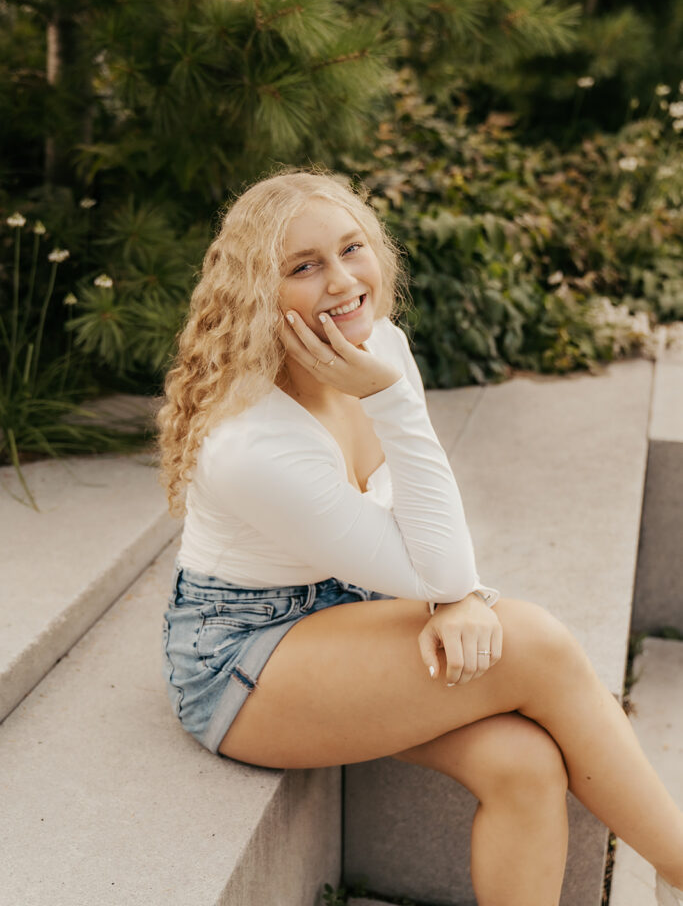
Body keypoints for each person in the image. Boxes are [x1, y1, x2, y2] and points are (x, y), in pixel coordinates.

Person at [157, 169, 683, 906]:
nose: (343, 281)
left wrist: (453, 598)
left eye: (352, 248)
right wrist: (449, 589)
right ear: (258, 294)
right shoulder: (253, 442)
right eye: (304, 266)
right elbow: (437, 563)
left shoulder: (378, 347)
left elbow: (421, 505)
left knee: (525, 762)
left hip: (351, 606)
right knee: (534, 641)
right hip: (244, 660)